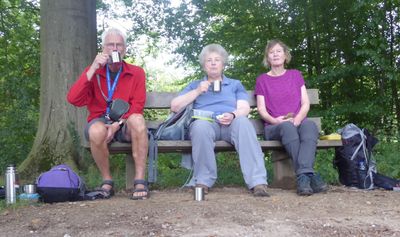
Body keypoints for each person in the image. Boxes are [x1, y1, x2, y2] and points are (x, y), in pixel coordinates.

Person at [170, 43, 269, 197]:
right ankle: (203, 180)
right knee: (199, 127)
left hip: (231, 123)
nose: (214, 63)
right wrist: (197, 91)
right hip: (207, 123)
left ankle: (257, 182)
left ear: (223, 64)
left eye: (217, 60)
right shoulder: (196, 85)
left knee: (244, 122)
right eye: (209, 60)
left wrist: (233, 115)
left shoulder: (235, 84)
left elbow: (244, 108)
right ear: (204, 66)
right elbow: (175, 106)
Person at [67, 28, 149, 200]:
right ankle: (107, 181)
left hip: (125, 122)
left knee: (138, 120)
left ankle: (140, 180)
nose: (115, 49)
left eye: (119, 45)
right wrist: (93, 68)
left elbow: (138, 105)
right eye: (110, 45)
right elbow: (74, 99)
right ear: (103, 48)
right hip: (99, 121)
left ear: (124, 49)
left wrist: (116, 125)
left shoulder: (136, 73)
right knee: (96, 131)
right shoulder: (94, 71)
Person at [254, 39, 328, 196]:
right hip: (274, 126)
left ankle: (303, 177)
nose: (275, 54)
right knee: (287, 127)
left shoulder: (295, 75)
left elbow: (305, 103)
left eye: (279, 51)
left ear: (285, 55)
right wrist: (277, 121)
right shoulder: (262, 80)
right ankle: (309, 174)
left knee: (310, 126)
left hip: (296, 121)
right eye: (271, 52)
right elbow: (261, 109)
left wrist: (297, 120)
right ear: (267, 57)